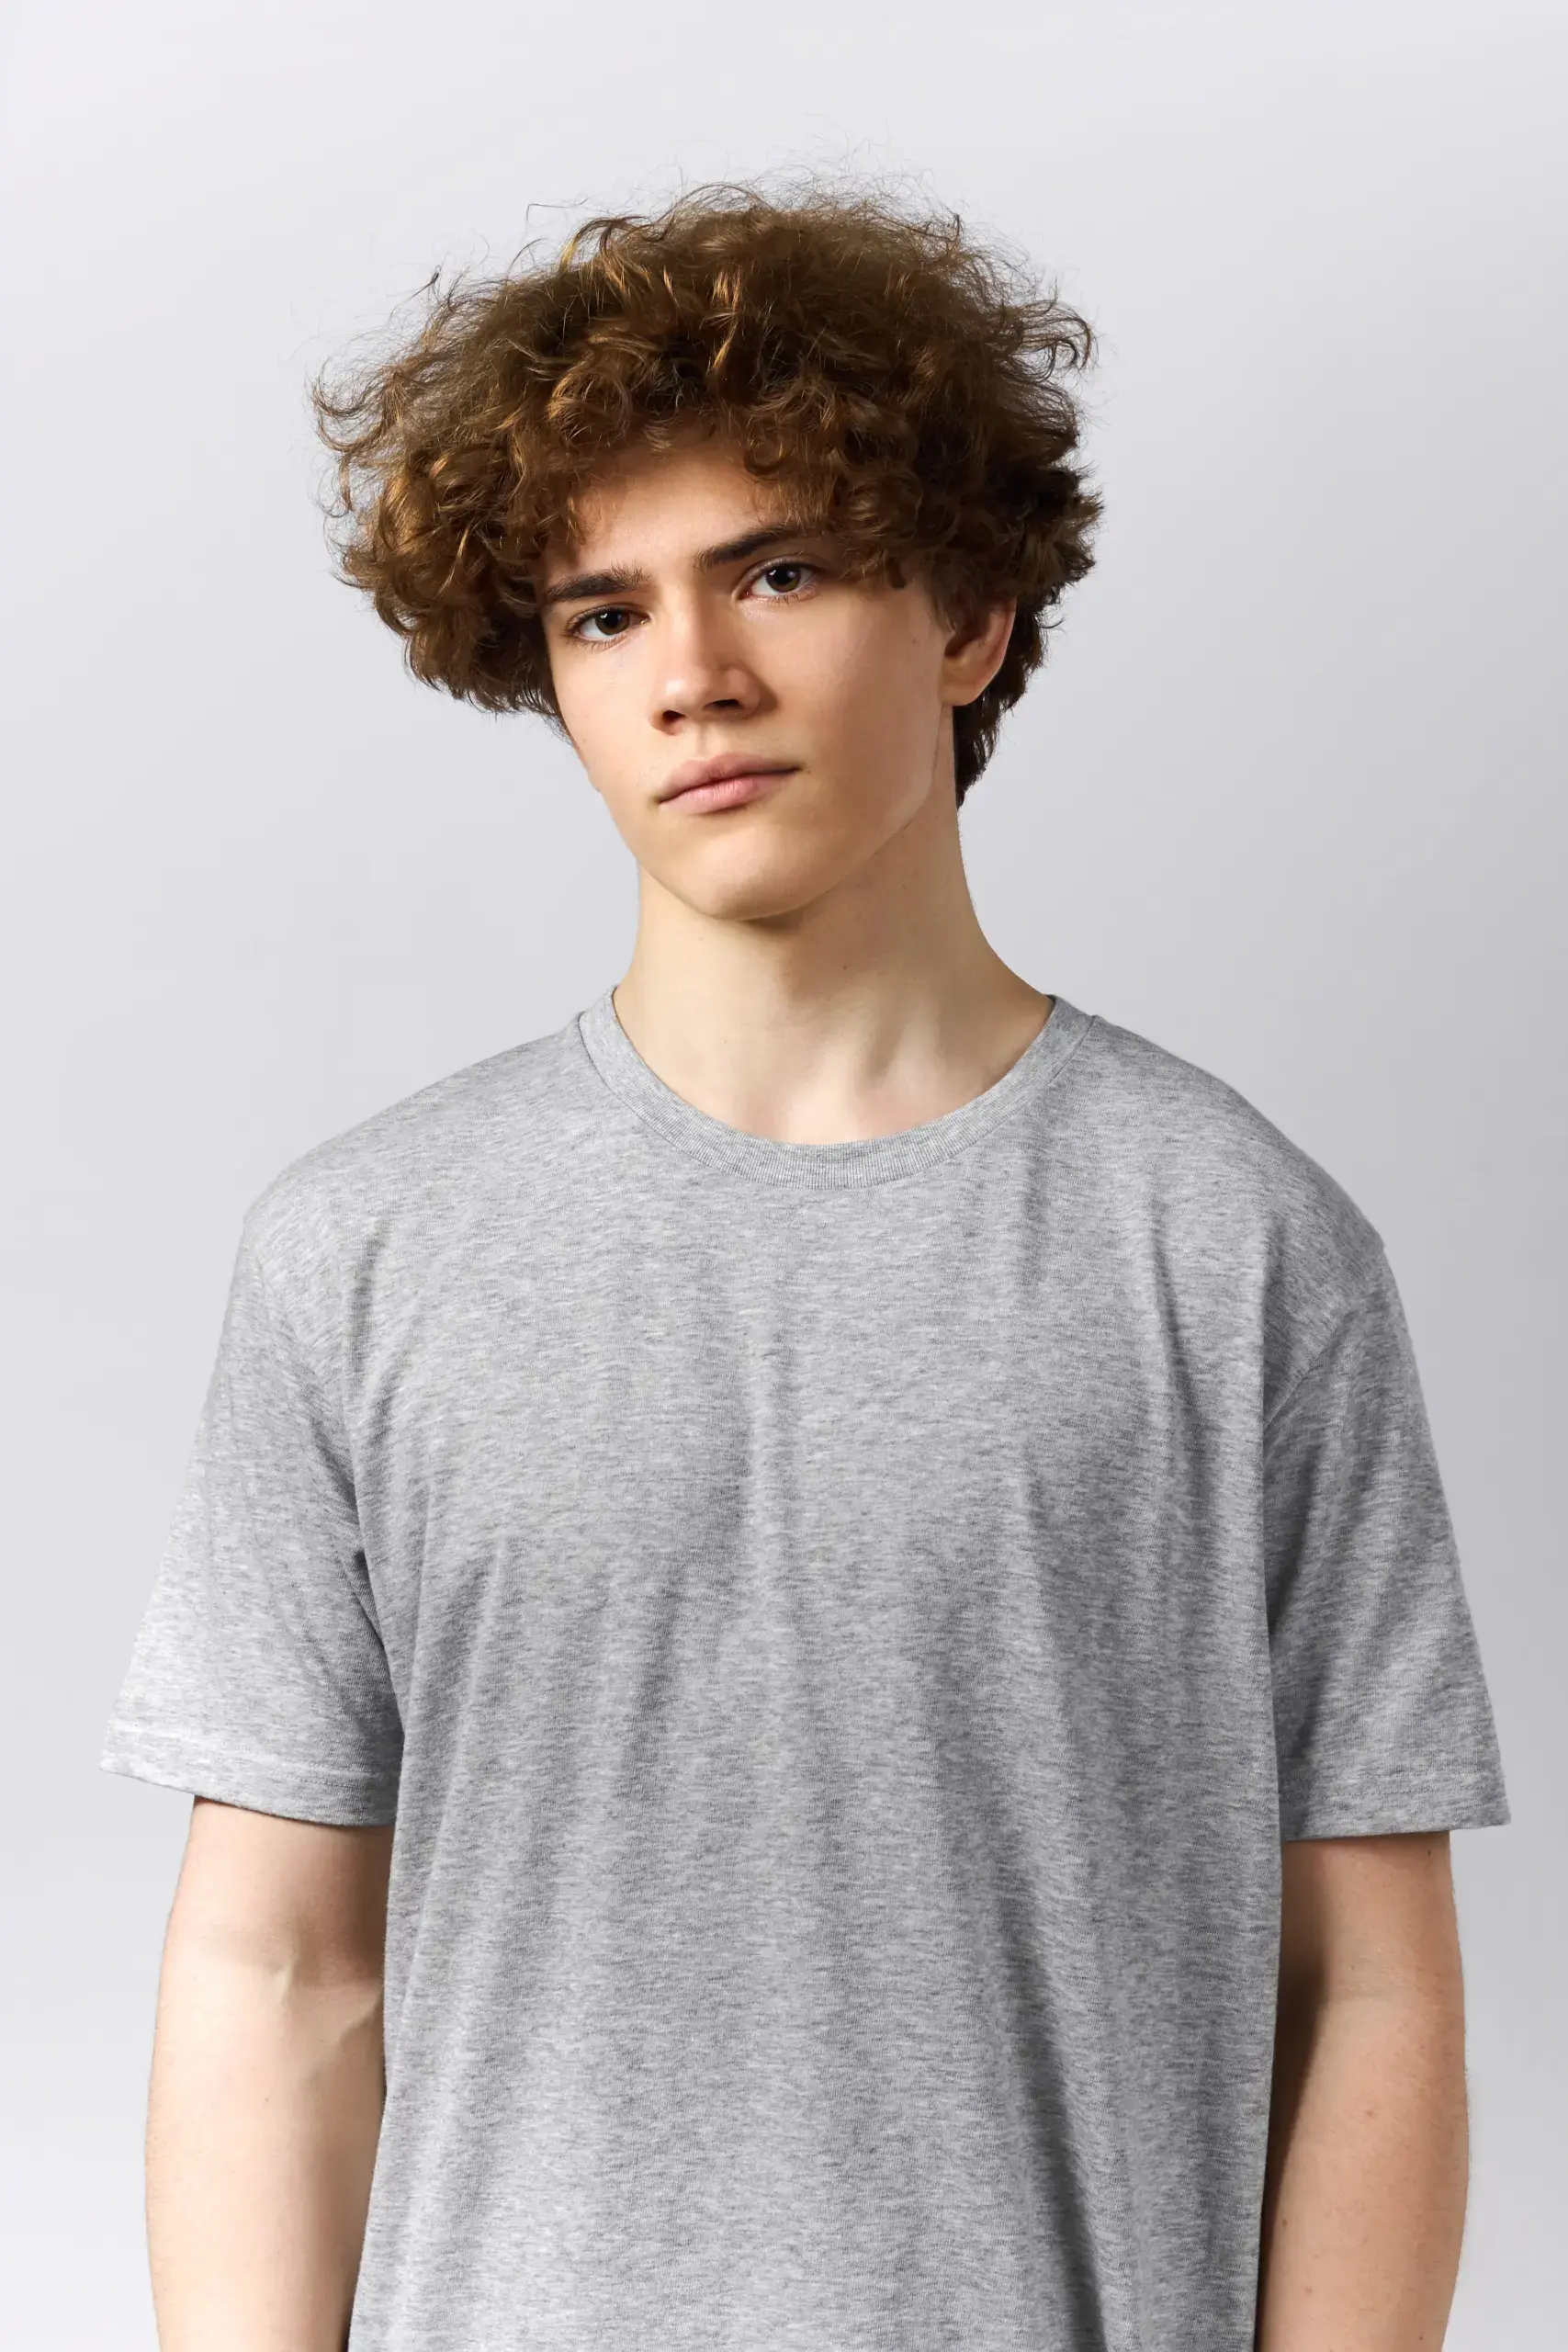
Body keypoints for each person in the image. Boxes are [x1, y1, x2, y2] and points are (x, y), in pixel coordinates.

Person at [101, 180, 1510, 2352]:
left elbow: (1368, 1986)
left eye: (780, 569)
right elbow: (279, 1966)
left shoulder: (1237, 1249)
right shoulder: (360, 1256)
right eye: (602, 612)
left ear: (968, 615)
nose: (693, 677)